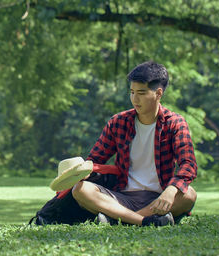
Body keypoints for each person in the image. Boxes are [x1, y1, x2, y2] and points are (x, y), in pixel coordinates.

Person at [72, 61, 197, 226]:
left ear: (158, 93)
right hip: (122, 197)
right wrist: (83, 171)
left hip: (160, 197)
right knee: (80, 189)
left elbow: (188, 164)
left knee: (189, 194)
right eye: (132, 92)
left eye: (141, 93)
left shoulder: (175, 123)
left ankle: (120, 220)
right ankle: (144, 221)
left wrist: (171, 190)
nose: (135, 99)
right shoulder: (118, 122)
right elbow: (95, 160)